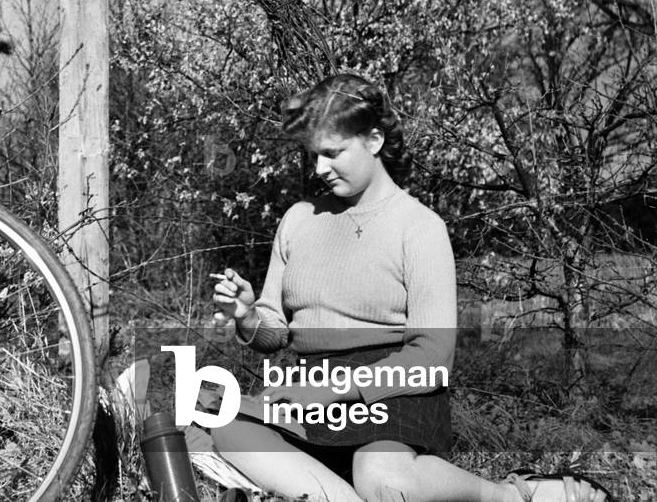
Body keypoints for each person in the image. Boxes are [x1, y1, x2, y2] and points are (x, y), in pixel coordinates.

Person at [209, 73, 611, 502]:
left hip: (395, 389)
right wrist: (249, 317)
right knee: (227, 427)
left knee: (382, 478)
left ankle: (509, 495)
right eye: (314, 156)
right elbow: (276, 334)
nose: (319, 169)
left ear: (374, 140)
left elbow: (433, 356)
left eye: (332, 153)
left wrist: (332, 390)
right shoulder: (297, 220)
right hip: (308, 391)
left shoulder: (419, 227)